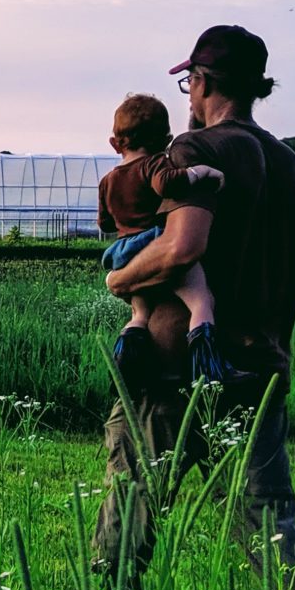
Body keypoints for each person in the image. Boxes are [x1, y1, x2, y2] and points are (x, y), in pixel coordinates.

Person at [93, 26, 295, 590]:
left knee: (129, 518)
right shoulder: (288, 164)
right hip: (258, 371)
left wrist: (119, 281)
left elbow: (180, 247)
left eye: (188, 83)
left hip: (175, 374)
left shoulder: (195, 153)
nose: (186, 99)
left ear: (203, 82)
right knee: (274, 532)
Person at [96, 94, 227, 390]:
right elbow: (167, 184)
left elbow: (105, 223)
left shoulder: (108, 180)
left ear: (115, 144)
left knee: (141, 313)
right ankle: (208, 368)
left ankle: (127, 365)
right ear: (166, 139)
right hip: (154, 244)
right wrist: (200, 172)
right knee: (201, 301)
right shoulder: (154, 165)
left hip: (125, 254)